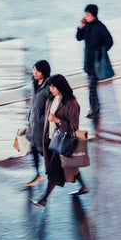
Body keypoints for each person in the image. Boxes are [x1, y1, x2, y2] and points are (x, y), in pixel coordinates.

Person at [31, 74, 88, 207]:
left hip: (63, 140)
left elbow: (73, 126)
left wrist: (57, 120)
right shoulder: (52, 98)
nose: (51, 89)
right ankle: (84, 186)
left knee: (53, 171)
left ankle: (44, 199)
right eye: (50, 87)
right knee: (70, 166)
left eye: (53, 87)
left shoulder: (71, 103)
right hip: (51, 138)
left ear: (61, 87)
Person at [76, 4, 113, 119]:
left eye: (87, 14)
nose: (85, 16)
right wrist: (81, 27)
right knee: (92, 87)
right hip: (88, 61)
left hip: (96, 63)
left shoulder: (100, 27)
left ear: (94, 15)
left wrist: (101, 52)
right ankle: (95, 107)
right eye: (85, 14)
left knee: (92, 87)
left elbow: (109, 41)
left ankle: (94, 109)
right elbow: (78, 38)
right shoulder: (86, 26)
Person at [25, 60, 51, 186]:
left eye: (37, 70)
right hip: (34, 126)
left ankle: (80, 181)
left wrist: (41, 120)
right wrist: (29, 118)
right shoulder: (34, 83)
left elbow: (52, 107)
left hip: (43, 129)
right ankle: (37, 174)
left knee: (56, 160)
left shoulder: (49, 88)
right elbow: (33, 104)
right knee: (33, 149)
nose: (34, 72)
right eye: (34, 69)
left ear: (44, 72)